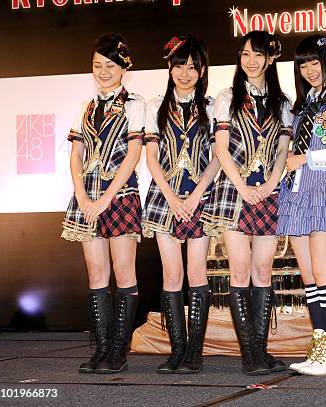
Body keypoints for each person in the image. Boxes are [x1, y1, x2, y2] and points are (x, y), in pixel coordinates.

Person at [200, 31, 292, 375]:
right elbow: (220, 149)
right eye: (246, 54)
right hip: (232, 192)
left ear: (270, 59)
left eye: (259, 55)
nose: (251, 61)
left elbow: (282, 149)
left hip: (267, 192)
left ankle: (261, 350)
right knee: (239, 270)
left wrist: (270, 184)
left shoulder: (282, 103)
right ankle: (249, 353)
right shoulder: (226, 98)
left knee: (263, 270)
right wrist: (242, 186)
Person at [61, 34, 145, 374]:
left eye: (110, 65)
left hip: (120, 195)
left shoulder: (134, 104)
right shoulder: (86, 106)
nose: (103, 71)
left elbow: (134, 155)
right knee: (97, 273)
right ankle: (101, 348)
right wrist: (81, 194)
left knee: (124, 272)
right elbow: (76, 154)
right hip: (87, 197)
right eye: (97, 65)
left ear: (125, 67)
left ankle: (117, 351)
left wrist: (106, 197)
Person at [277, 35, 326, 376]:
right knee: (309, 275)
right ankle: (320, 343)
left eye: (315, 61)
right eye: (303, 64)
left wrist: (306, 157)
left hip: (324, 188)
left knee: (324, 273)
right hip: (297, 191)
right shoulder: (301, 107)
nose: (310, 70)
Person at [142, 35, 219, 374]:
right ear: (169, 67)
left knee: (196, 272)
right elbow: (151, 158)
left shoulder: (214, 105)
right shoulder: (155, 105)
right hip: (165, 198)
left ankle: (195, 353)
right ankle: (176, 350)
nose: (185, 73)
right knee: (171, 275)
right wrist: (173, 198)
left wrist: (196, 193)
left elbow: (219, 157)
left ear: (202, 70)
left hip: (200, 197)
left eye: (192, 67)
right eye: (179, 65)